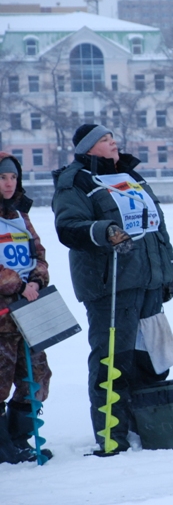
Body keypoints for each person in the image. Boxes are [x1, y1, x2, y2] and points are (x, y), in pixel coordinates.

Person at [53, 124, 173, 454]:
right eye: (106, 140)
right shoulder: (76, 180)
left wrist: (169, 274)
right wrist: (104, 230)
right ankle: (112, 437)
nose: (114, 143)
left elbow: (157, 228)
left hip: (148, 282)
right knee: (113, 361)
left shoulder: (130, 176)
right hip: (111, 286)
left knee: (150, 359)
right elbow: (68, 227)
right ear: (89, 148)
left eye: (113, 138)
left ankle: (148, 428)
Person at [0, 153, 51, 464]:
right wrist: (17, 285)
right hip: (4, 314)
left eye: (13, 177)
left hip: (30, 310)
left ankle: (19, 439)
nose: (9, 183)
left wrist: (36, 280)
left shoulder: (21, 215)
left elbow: (40, 254)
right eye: (3, 177)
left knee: (37, 376)